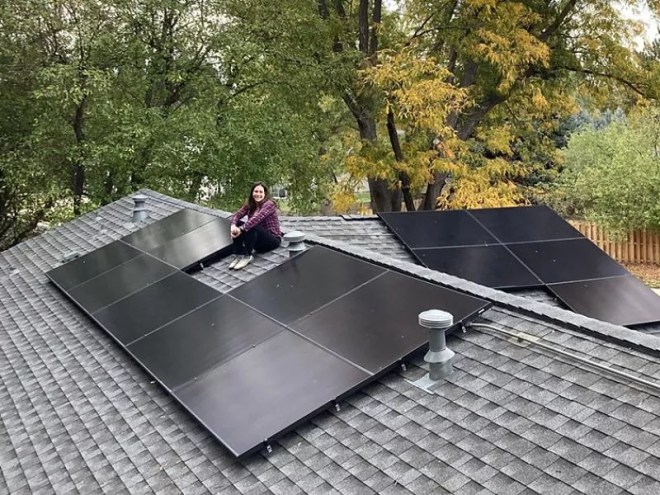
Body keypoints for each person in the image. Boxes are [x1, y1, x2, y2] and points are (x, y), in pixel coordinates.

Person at [228, 181, 283, 269]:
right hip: (258, 243)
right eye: (256, 191)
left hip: (272, 240)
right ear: (252, 193)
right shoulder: (250, 205)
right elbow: (237, 215)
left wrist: (241, 230)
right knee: (238, 223)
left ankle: (247, 256)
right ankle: (238, 255)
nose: (258, 194)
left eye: (261, 192)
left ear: (265, 194)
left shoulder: (269, 204)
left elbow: (257, 218)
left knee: (252, 225)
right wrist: (233, 226)